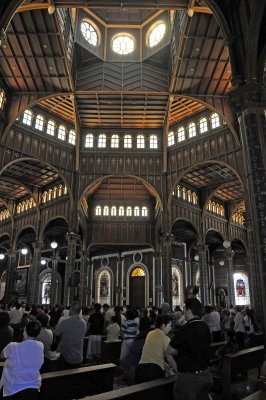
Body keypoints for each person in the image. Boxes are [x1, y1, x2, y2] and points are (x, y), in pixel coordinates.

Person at [167, 298, 212, 400]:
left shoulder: (186, 328)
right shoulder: (206, 327)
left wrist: (178, 371)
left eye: (184, 309)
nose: (183, 312)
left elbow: (169, 351)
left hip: (189, 380)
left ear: (189, 311)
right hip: (206, 375)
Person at [0, 320, 44, 399]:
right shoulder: (40, 346)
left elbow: (2, 356)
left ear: (24, 331)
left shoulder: (12, 346)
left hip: (14, 388)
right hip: (34, 386)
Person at [135, 315, 177, 383]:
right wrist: (178, 371)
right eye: (169, 326)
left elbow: (155, 355)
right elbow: (169, 358)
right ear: (163, 325)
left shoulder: (150, 333)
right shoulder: (165, 338)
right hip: (154, 371)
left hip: (140, 369)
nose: (170, 328)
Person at [54, 301, 87, 368]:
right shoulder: (83, 323)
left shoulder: (66, 322)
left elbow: (56, 333)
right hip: (79, 357)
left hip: (67, 357)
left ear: (71, 309)